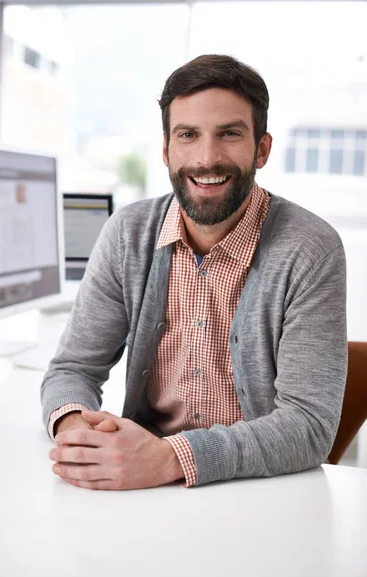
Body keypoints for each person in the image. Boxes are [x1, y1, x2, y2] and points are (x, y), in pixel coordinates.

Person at [42, 54, 347, 490]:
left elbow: (309, 426)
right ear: (166, 150)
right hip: (142, 487)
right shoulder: (128, 234)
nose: (207, 158)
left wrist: (169, 457)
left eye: (229, 134)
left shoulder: (310, 249)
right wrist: (76, 432)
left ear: (261, 149)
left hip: (255, 488)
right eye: (188, 135)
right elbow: (72, 368)